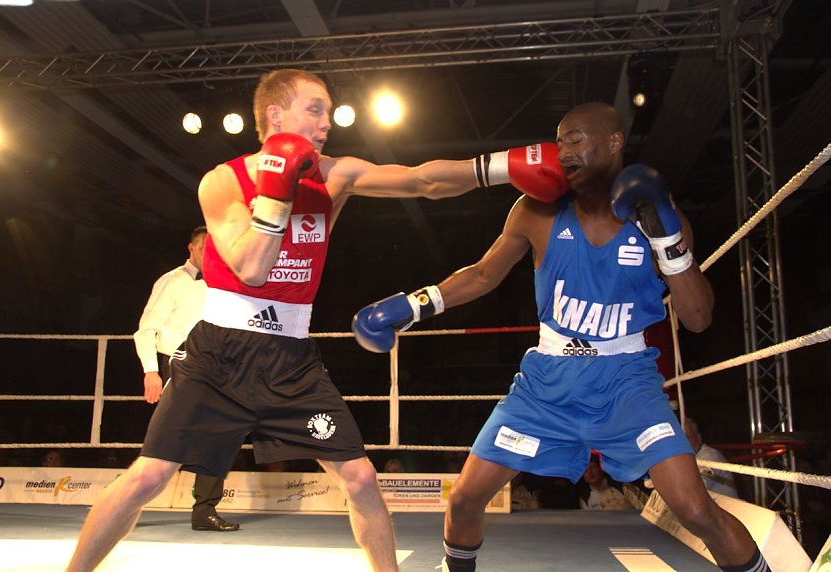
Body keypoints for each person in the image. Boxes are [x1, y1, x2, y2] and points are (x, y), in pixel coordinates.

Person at [66, 68, 563, 572]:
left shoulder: (335, 173)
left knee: (362, 479)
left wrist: (503, 165)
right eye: (315, 108)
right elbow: (252, 268)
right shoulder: (223, 181)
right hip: (218, 353)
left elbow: (422, 180)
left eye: (328, 111)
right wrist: (277, 191)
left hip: (291, 360)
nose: (327, 122)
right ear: (275, 115)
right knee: (149, 476)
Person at [353, 102, 770, 571]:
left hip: (627, 384)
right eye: (559, 140)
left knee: (697, 511)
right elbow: (483, 275)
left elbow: (697, 318)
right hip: (546, 384)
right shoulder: (536, 211)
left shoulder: (655, 215)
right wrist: (414, 305)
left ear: (614, 142)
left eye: (575, 138)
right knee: (465, 499)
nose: (563, 151)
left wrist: (667, 240)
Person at [132, 225, 240, 532]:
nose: (211, 253)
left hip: (219, 367)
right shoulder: (172, 281)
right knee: (168, 439)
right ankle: (124, 501)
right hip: (179, 364)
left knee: (221, 435)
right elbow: (146, 328)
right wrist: (150, 370)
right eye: (205, 247)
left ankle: (205, 510)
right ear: (191, 248)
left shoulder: (227, 284)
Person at [684, 418, 739, 499]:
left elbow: (696, 489)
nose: (682, 442)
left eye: (687, 437)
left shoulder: (710, 457)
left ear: (698, 438)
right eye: (679, 439)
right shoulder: (687, 461)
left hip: (729, 510)